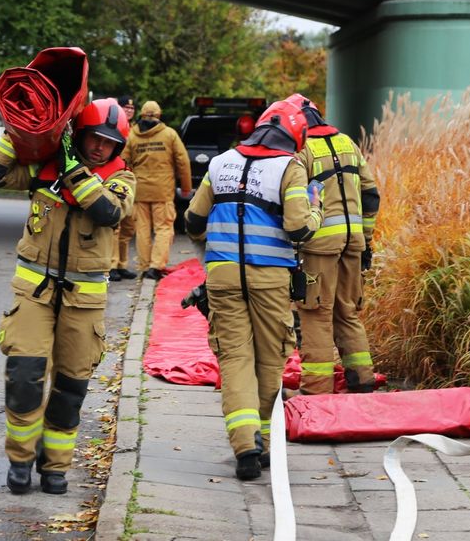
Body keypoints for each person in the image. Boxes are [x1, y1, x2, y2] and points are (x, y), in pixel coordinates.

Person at [0, 98, 136, 495]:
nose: (101, 147)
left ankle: (55, 466)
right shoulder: (45, 167)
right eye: (95, 138)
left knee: (71, 388)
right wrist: (20, 130)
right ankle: (20, 459)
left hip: (83, 302)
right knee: (23, 377)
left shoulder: (122, 178)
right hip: (34, 293)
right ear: (80, 134)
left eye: (110, 142)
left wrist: (75, 172)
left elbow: (108, 212)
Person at [184, 95, 323, 479]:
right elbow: (299, 227)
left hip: (224, 277)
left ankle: (246, 446)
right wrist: (317, 209)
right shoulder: (290, 169)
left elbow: (193, 222)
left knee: (234, 359)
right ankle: (261, 438)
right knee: (270, 357)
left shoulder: (220, 162)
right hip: (269, 278)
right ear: (295, 137)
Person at [293, 97, 381, 395]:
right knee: (347, 310)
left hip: (320, 246)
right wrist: (365, 240)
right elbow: (370, 195)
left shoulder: (301, 150)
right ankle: (363, 379)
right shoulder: (348, 144)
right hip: (353, 243)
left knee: (315, 311)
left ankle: (316, 389)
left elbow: (292, 201)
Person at [122, 100, 192, 281]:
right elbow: (183, 162)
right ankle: (156, 266)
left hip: (140, 191)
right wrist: (185, 187)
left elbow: (124, 162)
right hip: (163, 191)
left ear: (142, 114)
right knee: (164, 229)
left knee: (142, 230)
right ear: (159, 115)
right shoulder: (169, 135)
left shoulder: (132, 136)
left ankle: (144, 266)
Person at [111, 95, 138, 282]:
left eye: (132, 108)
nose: (129, 110)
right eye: (125, 107)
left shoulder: (136, 131)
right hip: (116, 179)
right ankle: (111, 265)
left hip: (132, 182)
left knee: (128, 228)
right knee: (116, 228)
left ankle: (122, 264)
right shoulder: (114, 129)